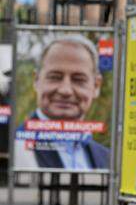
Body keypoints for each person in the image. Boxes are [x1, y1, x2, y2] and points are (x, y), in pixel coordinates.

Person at [14, 35, 109, 170]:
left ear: (96, 86)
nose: (65, 90)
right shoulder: (12, 148)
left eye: (78, 80)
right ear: (36, 80)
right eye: (55, 77)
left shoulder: (107, 158)